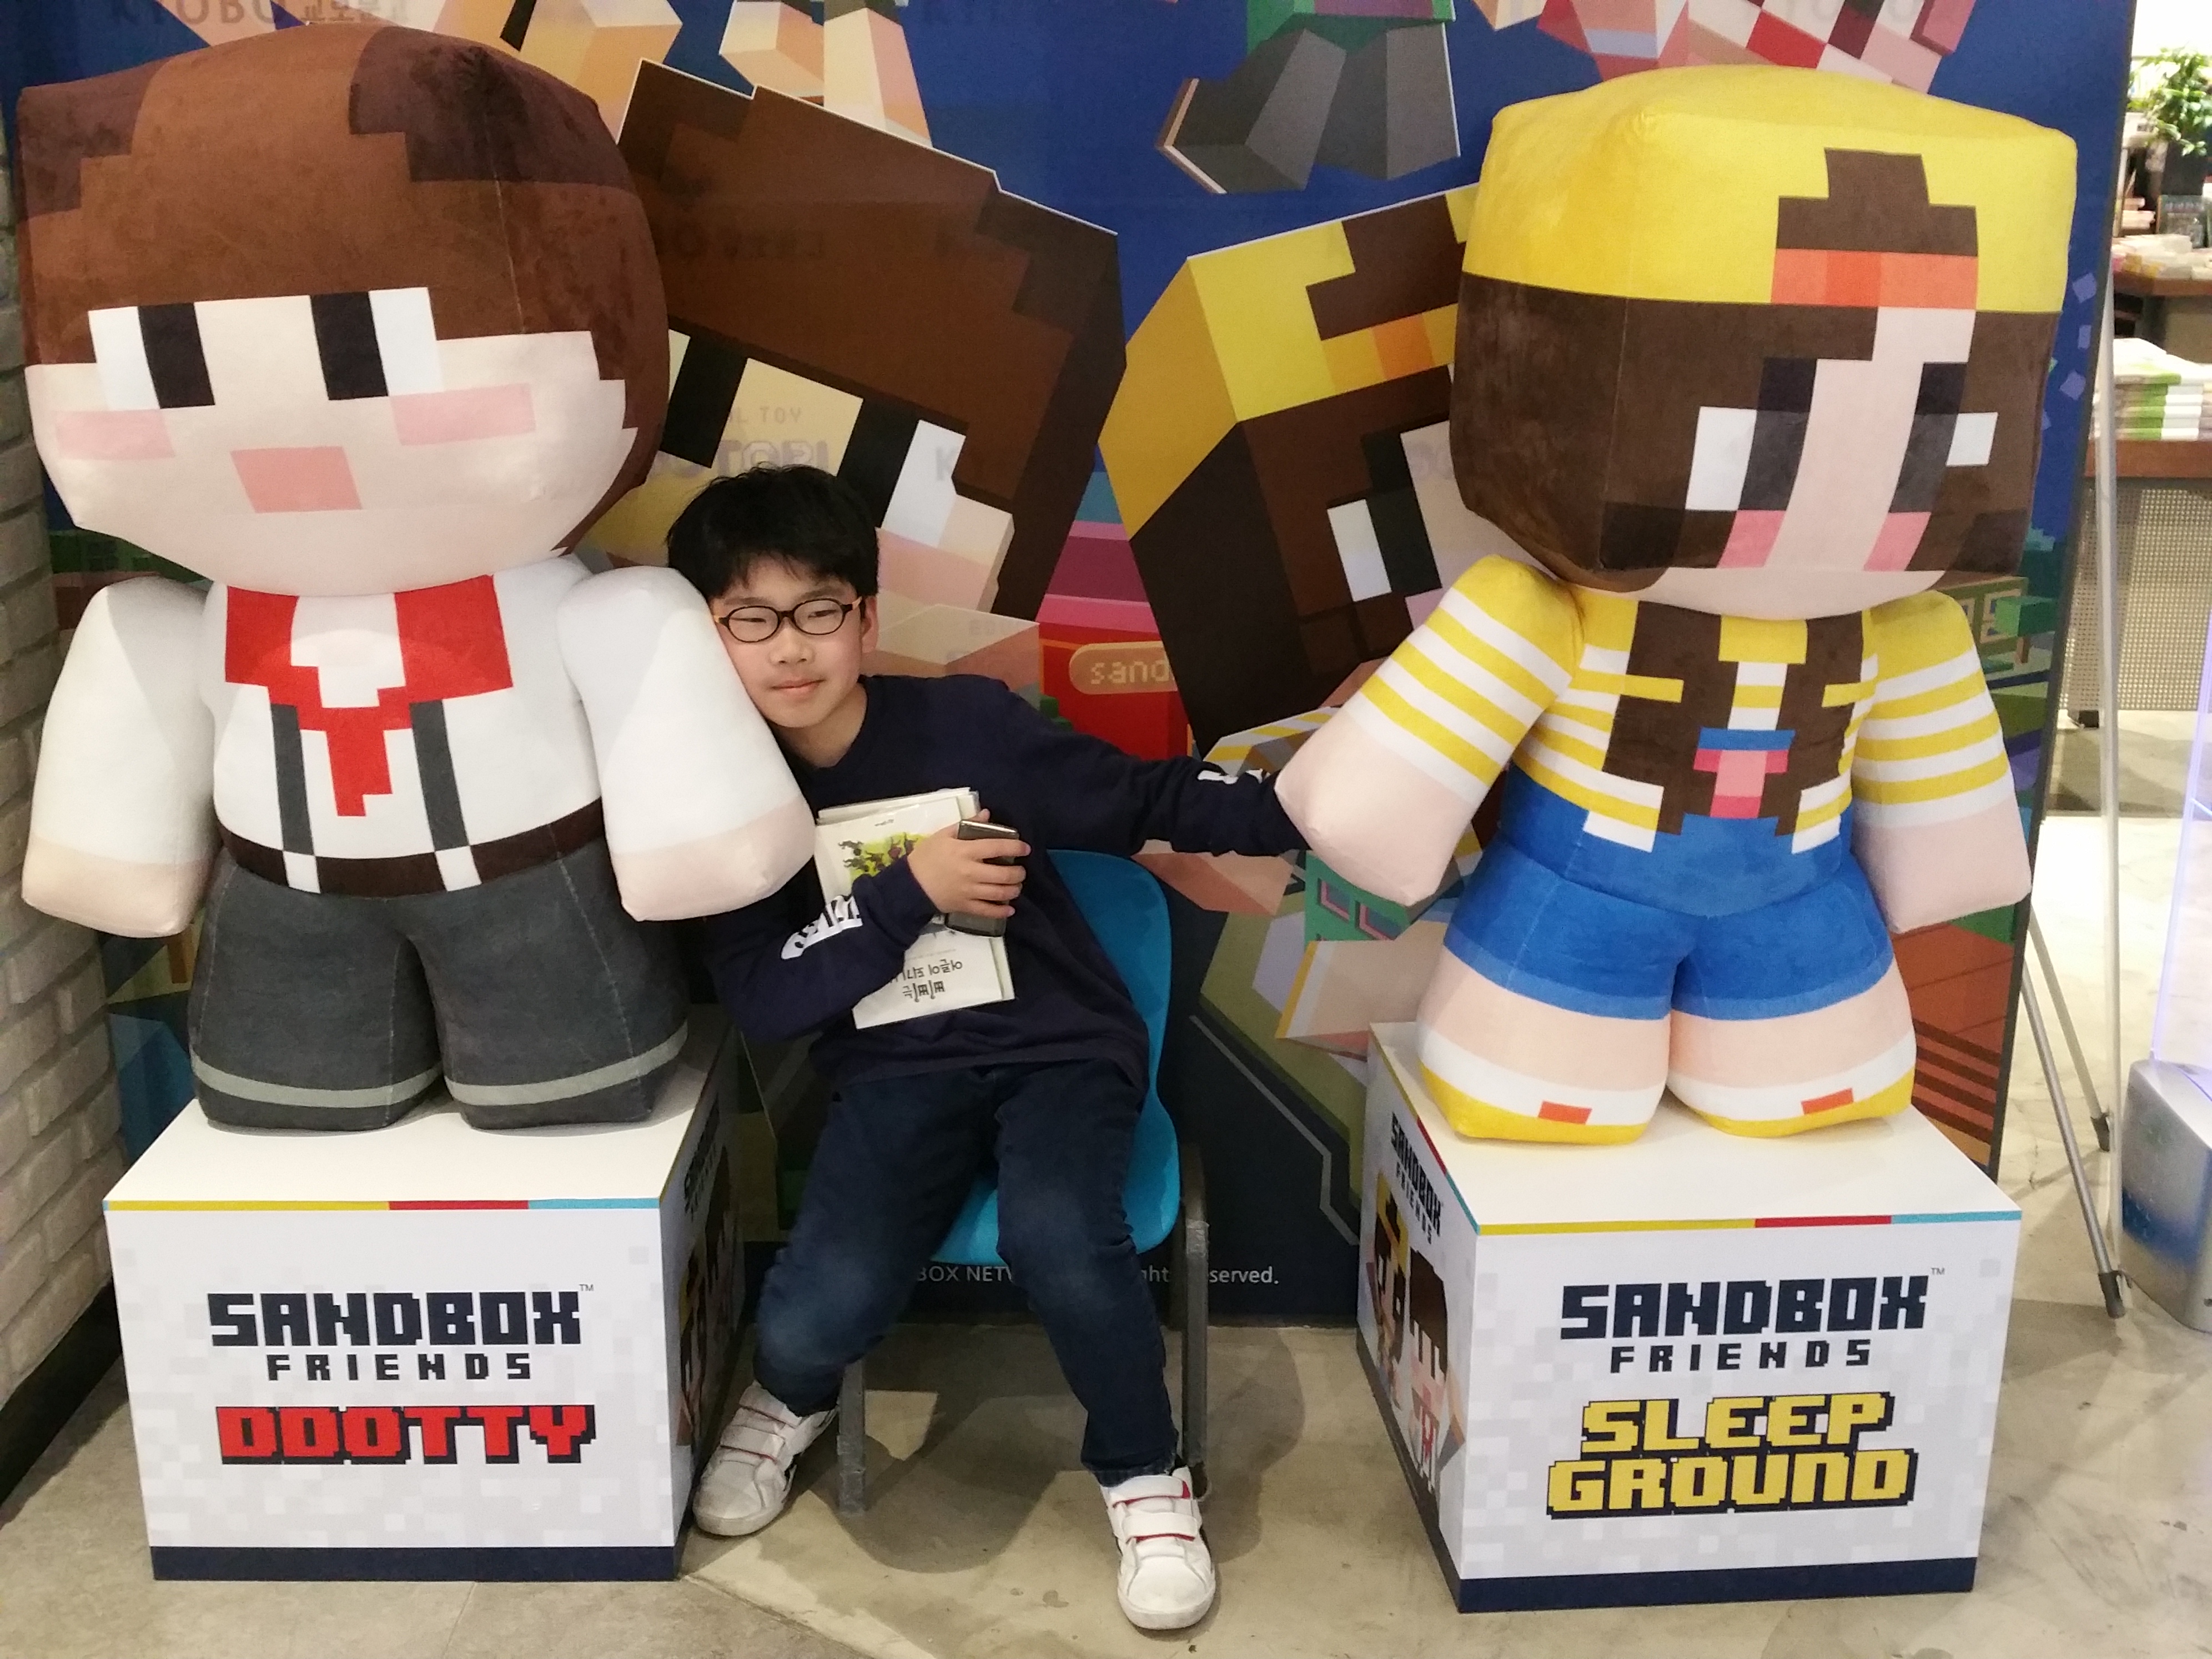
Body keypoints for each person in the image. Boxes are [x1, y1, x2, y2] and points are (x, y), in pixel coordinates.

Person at [669, 465, 1303, 1632]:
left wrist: (1306, 808)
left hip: (1059, 1046)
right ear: (707, 634)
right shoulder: (722, 797)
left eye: (818, 610)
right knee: (818, 1306)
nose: (789, 646)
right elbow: (765, 997)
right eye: (749, 618)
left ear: (866, 618)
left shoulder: (962, 725)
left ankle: (1146, 1474)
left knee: (1058, 1230)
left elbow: (1137, 798)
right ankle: (789, 1399)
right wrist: (908, 890)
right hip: (894, 1072)